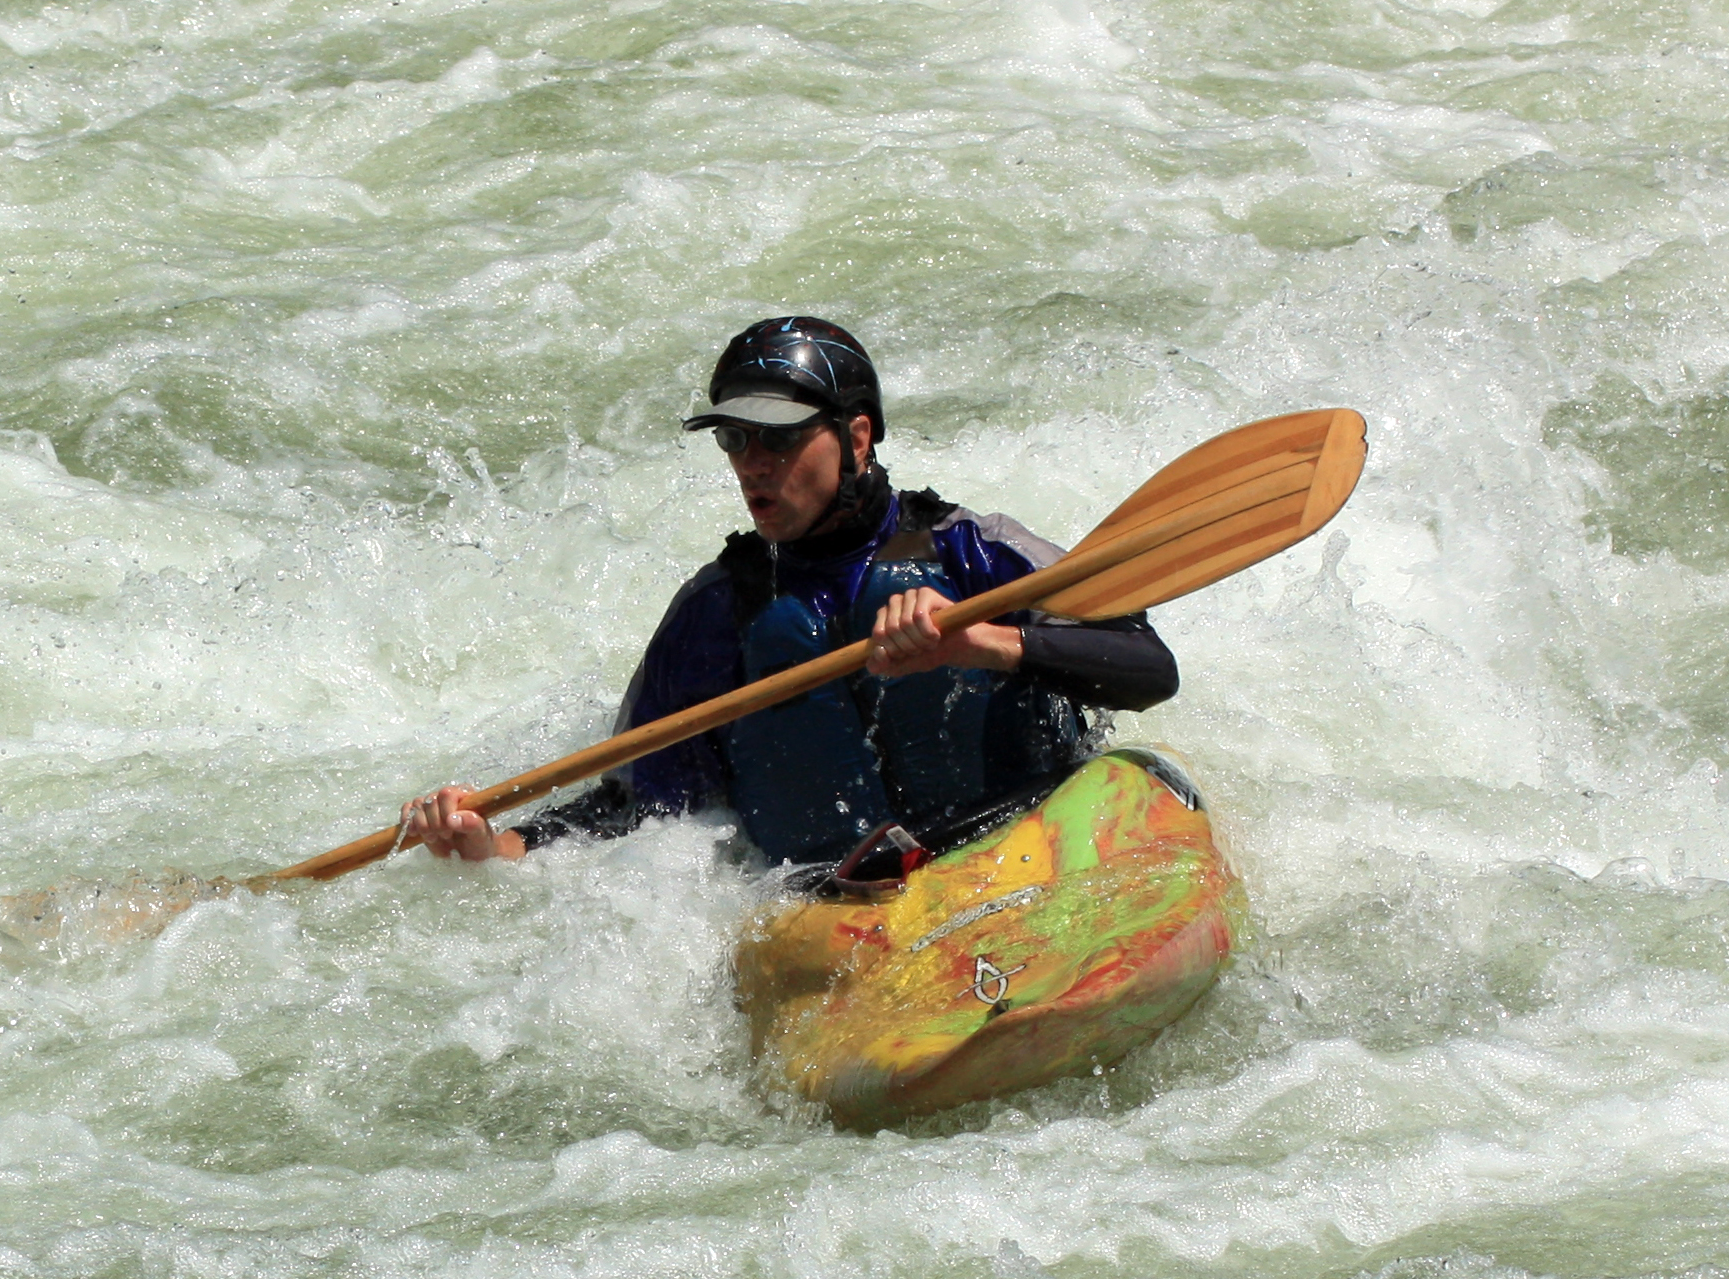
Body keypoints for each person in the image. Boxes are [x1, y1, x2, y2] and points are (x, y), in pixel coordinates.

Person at [397, 316, 1179, 876]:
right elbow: (631, 814)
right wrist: (489, 846)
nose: (752, 463)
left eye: (778, 436)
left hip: (1029, 842)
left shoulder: (971, 549)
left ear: (857, 437)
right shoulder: (715, 615)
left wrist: (980, 643)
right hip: (843, 909)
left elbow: (1148, 668)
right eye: (734, 439)